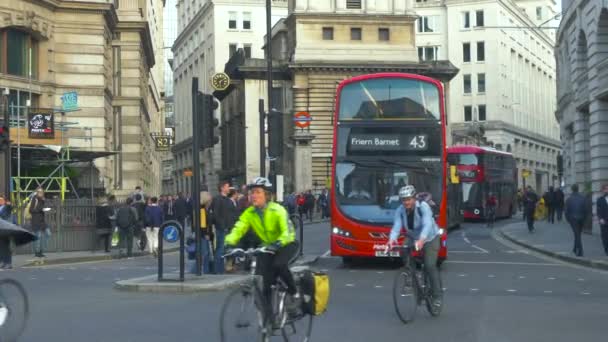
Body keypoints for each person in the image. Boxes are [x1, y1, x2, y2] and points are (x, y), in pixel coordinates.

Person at [225, 177, 300, 318]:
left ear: (267, 195)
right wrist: (229, 243)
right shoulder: (250, 213)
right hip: (267, 247)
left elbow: (287, 232)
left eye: (258, 192)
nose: (254, 195)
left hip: (287, 243)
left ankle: (294, 293)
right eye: (252, 192)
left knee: (279, 264)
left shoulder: (277, 210)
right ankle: (269, 318)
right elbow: (239, 228)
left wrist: (278, 243)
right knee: (265, 281)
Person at [387, 185, 443, 309]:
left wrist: (422, 240)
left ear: (414, 198)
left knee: (429, 265)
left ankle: (437, 296)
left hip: (430, 237)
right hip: (412, 236)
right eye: (403, 200)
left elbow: (427, 224)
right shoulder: (400, 210)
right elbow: (396, 227)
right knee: (403, 250)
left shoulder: (423, 207)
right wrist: (391, 240)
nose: (406, 202)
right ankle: (410, 277)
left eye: (408, 199)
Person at [209, 180, 233, 274]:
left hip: (228, 228)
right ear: (222, 188)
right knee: (220, 249)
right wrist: (222, 226)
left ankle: (222, 268)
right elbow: (216, 214)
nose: (229, 188)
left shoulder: (227, 200)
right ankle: (218, 270)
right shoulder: (218, 199)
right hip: (222, 229)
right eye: (227, 186)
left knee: (225, 249)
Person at [565, 184, 588, 257]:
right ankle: (575, 248)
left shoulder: (569, 199)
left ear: (572, 189)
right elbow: (586, 209)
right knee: (577, 234)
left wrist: (568, 219)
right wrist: (584, 218)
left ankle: (580, 251)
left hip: (573, 219)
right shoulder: (583, 198)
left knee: (577, 234)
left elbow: (566, 211)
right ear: (578, 189)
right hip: (581, 218)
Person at [30, 188, 48, 258]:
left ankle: (41, 250)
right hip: (36, 221)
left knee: (48, 234)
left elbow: (43, 208)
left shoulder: (43, 199)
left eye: (42, 192)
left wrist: (44, 207)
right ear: (37, 193)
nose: (41, 193)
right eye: (39, 192)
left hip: (42, 221)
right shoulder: (35, 199)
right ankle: (37, 252)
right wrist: (40, 209)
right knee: (38, 236)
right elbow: (31, 210)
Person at [0, 196, 14, 269]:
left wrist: (9, 205)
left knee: (7, 247)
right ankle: (2, 262)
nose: (0, 201)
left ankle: (8, 263)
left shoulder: (6, 208)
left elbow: (10, 208)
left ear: (4, 201)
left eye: (1, 200)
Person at [596, 184, 608, 256]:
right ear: (603, 190)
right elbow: (598, 210)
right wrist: (600, 219)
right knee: (605, 237)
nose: (607, 190)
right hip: (604, 221)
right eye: (606, 189)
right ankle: (606, 250)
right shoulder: (599, 200)